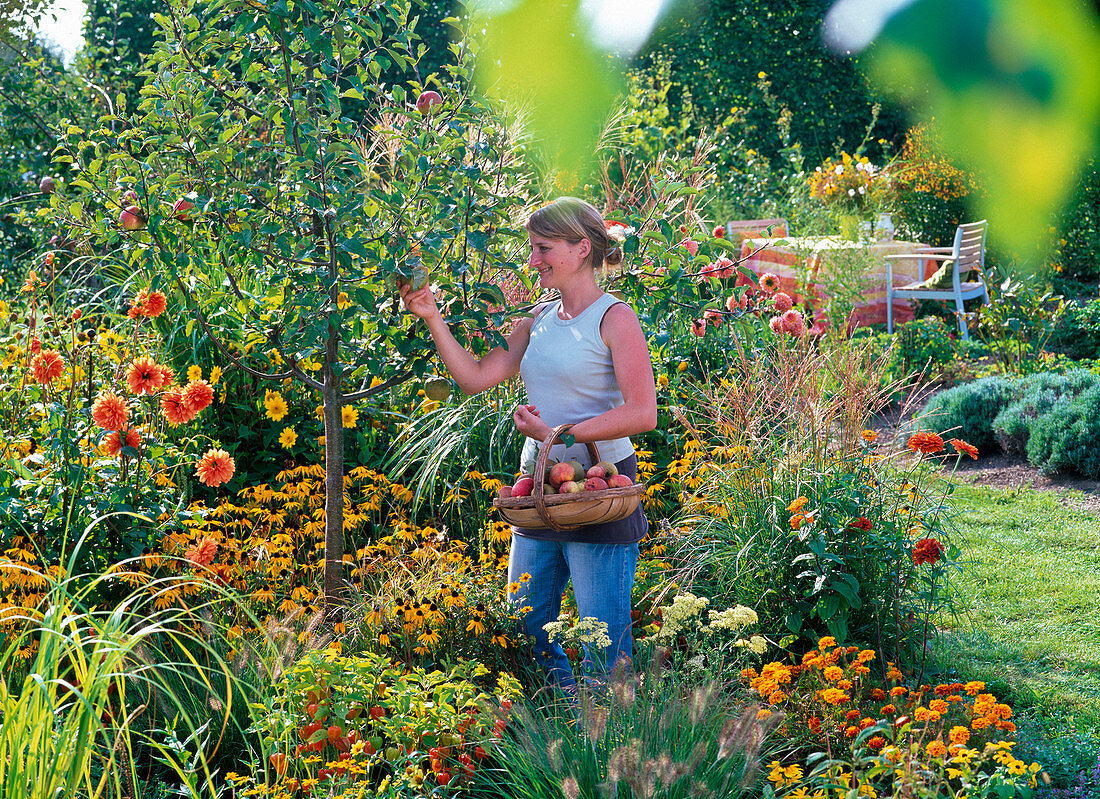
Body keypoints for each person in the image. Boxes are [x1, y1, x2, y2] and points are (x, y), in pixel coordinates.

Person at [400, 196, 657, 693]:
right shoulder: (535, 319)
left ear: (582, 248)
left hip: (599, 486)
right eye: (532, 248)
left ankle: (603, 734)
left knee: (601, 640)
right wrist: (433, 316)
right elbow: (476, 377)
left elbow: (641, 412)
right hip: (538, 484)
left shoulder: (614, 318)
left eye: (544, 248)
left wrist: (560, 435)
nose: (533, 259)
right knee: (527, 623)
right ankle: (564, 713)